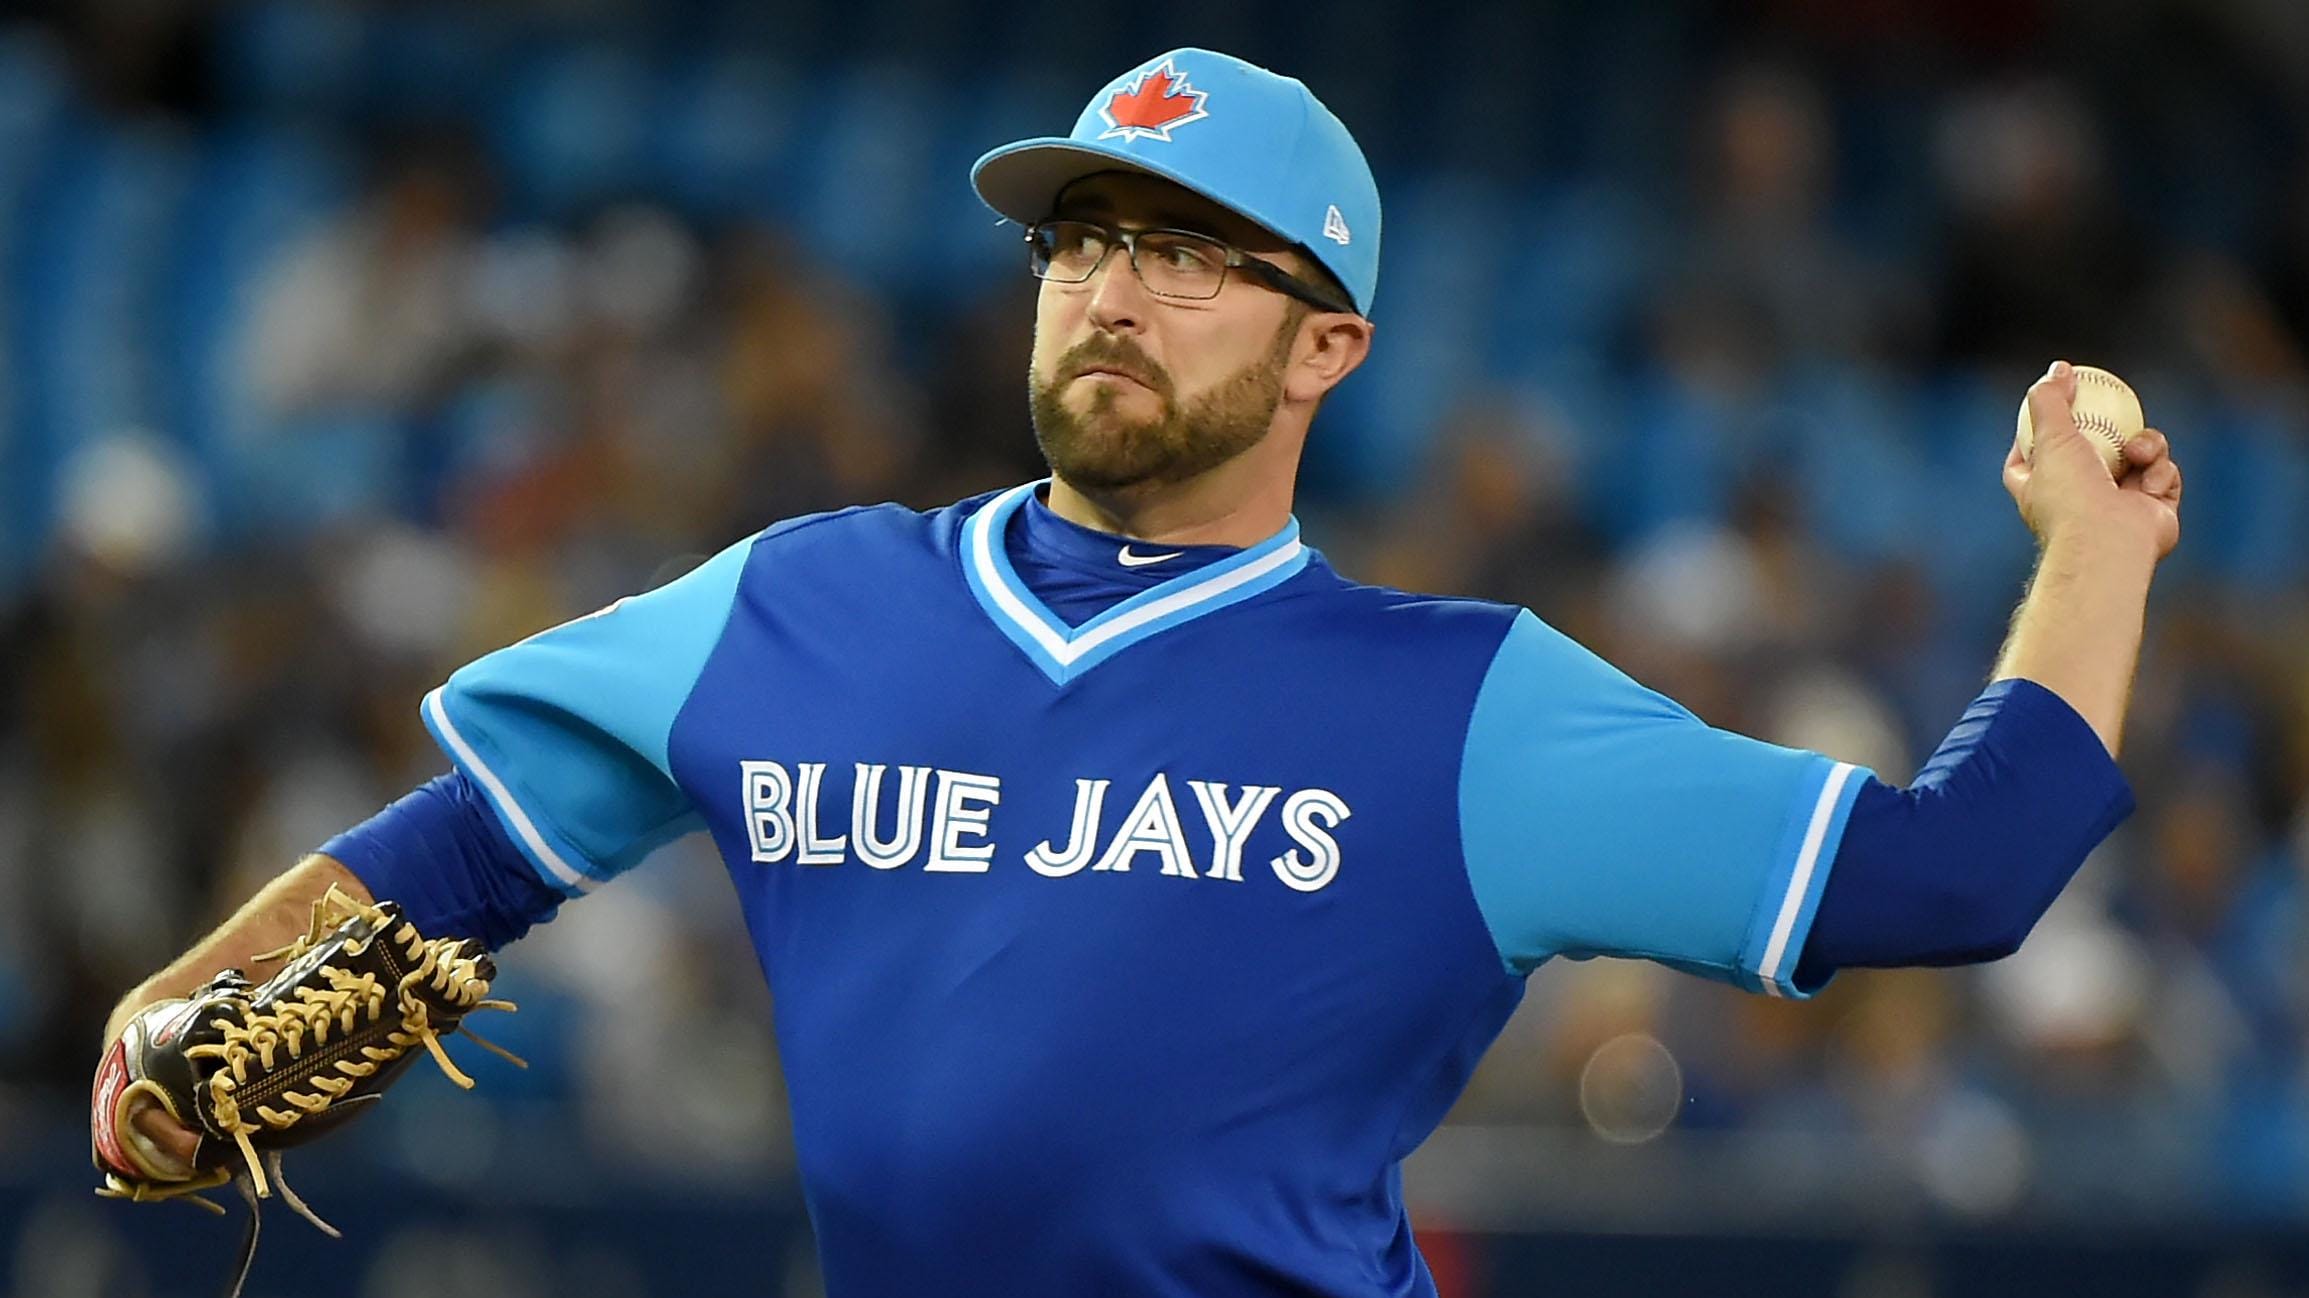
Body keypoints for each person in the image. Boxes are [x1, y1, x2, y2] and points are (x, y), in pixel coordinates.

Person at [95, 47, 2183, 1298]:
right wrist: (202, 1005)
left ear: (1327, 344)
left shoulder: (1464, 709)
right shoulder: (800, 606)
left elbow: (1951, 874)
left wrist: (2098, 549)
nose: (1114, 286)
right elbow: (474, 853)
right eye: (1084, 235)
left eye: (1190, 254)